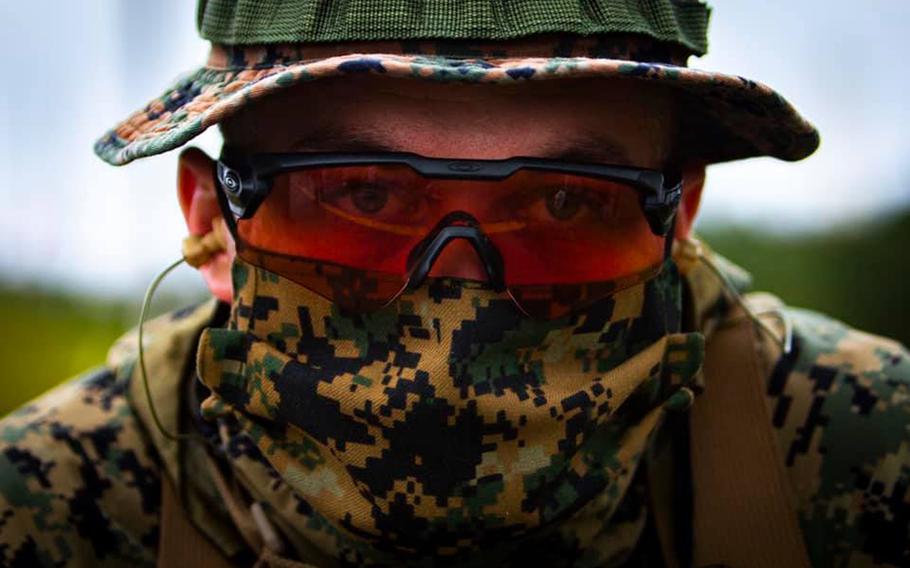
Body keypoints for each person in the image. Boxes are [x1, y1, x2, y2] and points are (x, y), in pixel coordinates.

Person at [1, 1, 908, 566]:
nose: (460, 301)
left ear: (679, 217)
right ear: (213, 227)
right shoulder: (45, 511)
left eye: (563, 202)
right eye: (362, 195)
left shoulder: (872, 458)